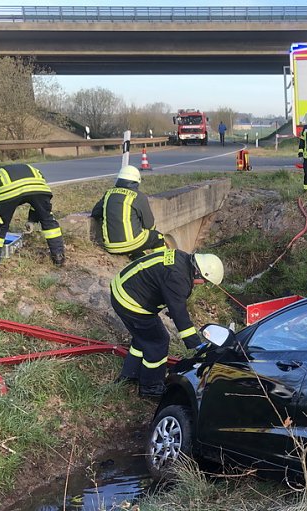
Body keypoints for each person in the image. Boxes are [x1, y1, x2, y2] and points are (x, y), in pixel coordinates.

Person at [110, 248, 224, 398]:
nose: (202, 284)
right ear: (199, 272)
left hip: (122, 289)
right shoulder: (178, 278)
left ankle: (130, 373)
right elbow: (179, 313)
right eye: (204, 281)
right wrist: (195, 343)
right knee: (158, 342)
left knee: (143, 338)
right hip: (131, 302)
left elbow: (164, 287)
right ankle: (150, 387)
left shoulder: (181, 258)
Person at [0, 163, 65, 276]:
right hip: (39, 188)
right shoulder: (26, 168)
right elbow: (36, 198)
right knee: (48, 219)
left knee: (0, 224)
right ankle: (58, 256)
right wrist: (32, 220)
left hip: (10, 190)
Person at [91, 165, 165, 258]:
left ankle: (137, 257)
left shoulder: (109, 193)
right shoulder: (139, 197)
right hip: (131, 244)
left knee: (137, 246)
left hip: (111, 247)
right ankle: (161, 264)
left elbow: (95, 213)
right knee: (157, 237)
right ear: (136, 182)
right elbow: (149, 224)